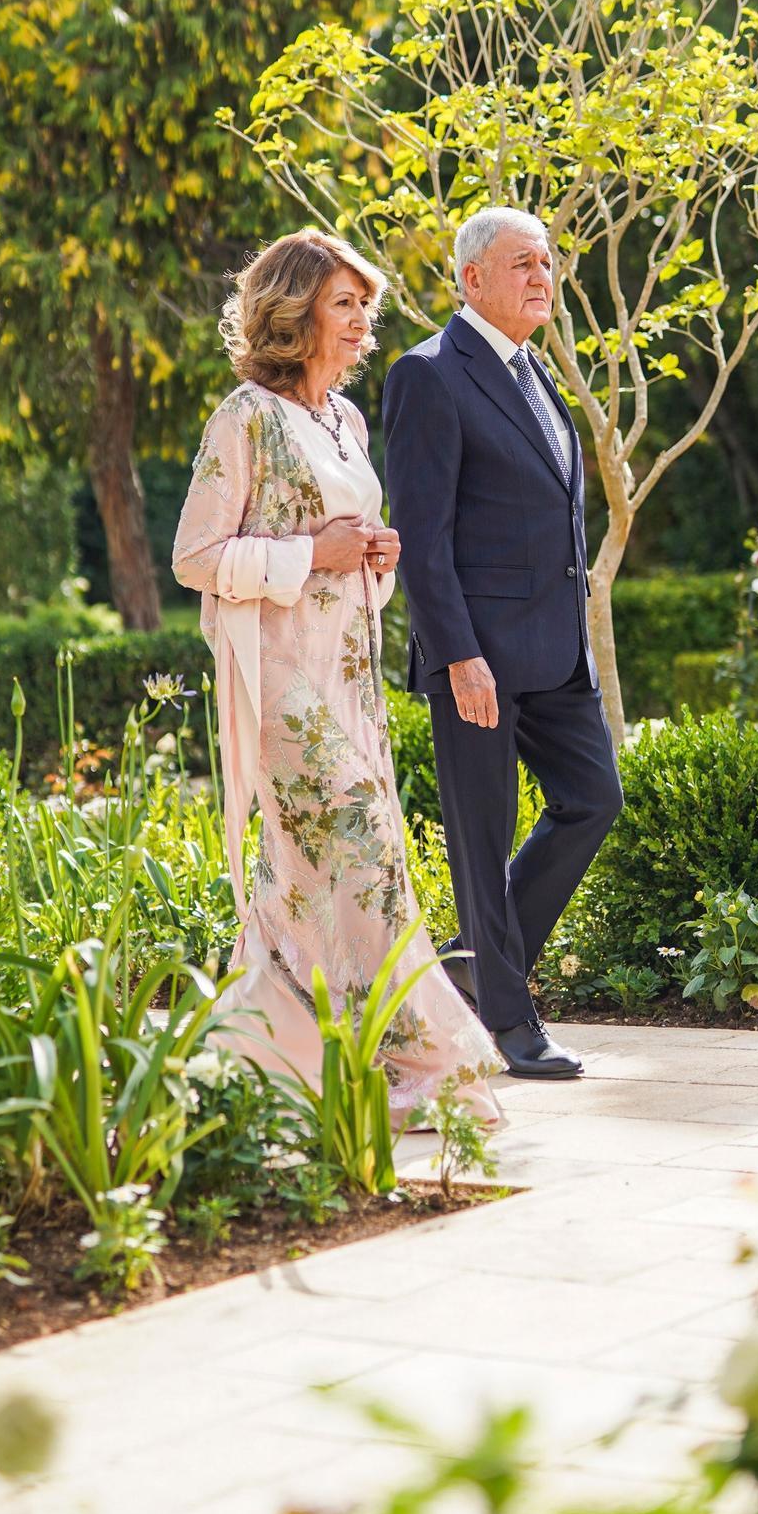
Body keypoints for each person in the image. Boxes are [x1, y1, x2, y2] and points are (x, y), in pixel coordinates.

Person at [171, 228, 500, 1123]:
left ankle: (272, 1058)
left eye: (367, 306)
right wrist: (313, 552)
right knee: (361, 847)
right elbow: (194, 557)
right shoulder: (243, 418)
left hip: (350, 678)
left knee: (318, 872)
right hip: (278, 680)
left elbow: (349, 564)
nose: (364, 323)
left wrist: (374, 559)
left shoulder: (346, 424)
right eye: (344, 305)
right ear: (294, 312)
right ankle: (408, 1056)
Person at [382, 208, 624, 1080]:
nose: (542, 275)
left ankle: (476, 971)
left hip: (557, 653)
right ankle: (510, 1021)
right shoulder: (429, 377)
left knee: (593, 798)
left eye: (549, 262)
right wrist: (456, 653)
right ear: (471, 278)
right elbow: (422, 529)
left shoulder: (539, 374)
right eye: (523, 262)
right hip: (476, 656)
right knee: (480, 838)